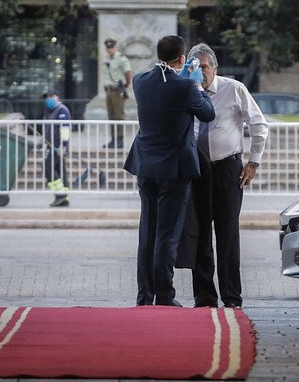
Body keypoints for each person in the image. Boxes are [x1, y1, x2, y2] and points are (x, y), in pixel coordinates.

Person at [123, 35, 214, 307]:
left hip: (146, 166)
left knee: (147, 231)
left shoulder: (140, 81)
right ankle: (165, 295)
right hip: (174, 168)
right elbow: (208, 113)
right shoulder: (186, 86)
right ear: (182, 59)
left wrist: (183, 79)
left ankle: (144, 294)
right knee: (167, 233)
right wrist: (195, 83)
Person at [188, 43, 268, 309]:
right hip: (196, 169)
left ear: (215, 68)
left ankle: (232, 298)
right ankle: (204, 297)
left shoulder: (233, 89)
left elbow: (259, 125)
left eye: (205, 67)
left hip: (226, 169)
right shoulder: (186, 91)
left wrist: (253, 162)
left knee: (227, 234)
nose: (201, 73)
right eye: (195, 68)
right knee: (199, 234)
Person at [42, 90, 71, 207]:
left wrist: (63, 146)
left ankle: (60, 195)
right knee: (60, 171)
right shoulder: (52, 111)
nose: (47, 99)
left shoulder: (62, 110)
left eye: (50, 96)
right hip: (52, 145)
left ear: (56, 97)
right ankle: (64, 197)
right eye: (46, 97)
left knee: (47, 169)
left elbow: (64, 129)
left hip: (57, 146)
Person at [102, 38, 133, 149]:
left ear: (115, 47)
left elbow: (128, 73)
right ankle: (113, 139)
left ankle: (119, 140)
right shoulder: (106, 59)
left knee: (118, 116)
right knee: (111, 115)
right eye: (108, 48)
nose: (110, 49)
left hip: (118, 90)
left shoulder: (121, 59)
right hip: (109, 90)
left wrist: (125, 86)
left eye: (111, 47)